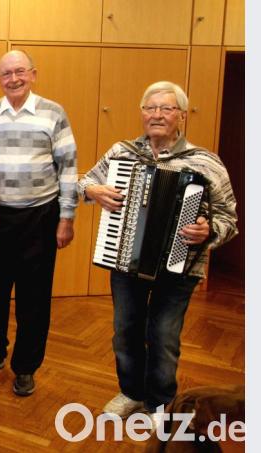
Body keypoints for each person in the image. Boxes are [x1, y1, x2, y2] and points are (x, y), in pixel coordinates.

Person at [78, 81, 238, 420]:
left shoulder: (205, 162)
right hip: (124, 259)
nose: (157, 115)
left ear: (181, 115)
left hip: (181, 266)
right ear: (142, 114)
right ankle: (131, 392)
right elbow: (83, 182)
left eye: (166, 109)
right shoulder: (122, 153)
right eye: (151, 108)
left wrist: (209, 231)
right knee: (125, 330)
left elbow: (229, 218)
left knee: (164, 336)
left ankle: (160, 403)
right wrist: (94, 191)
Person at [0, 50, 79, 397]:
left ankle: (26, 366)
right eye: (6, 74)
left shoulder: (54, 113)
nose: (13, 78)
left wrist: (66, 218)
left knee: (34, 297)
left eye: (20, 72)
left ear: (33, 74)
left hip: (40, 217)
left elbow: (69, 169)